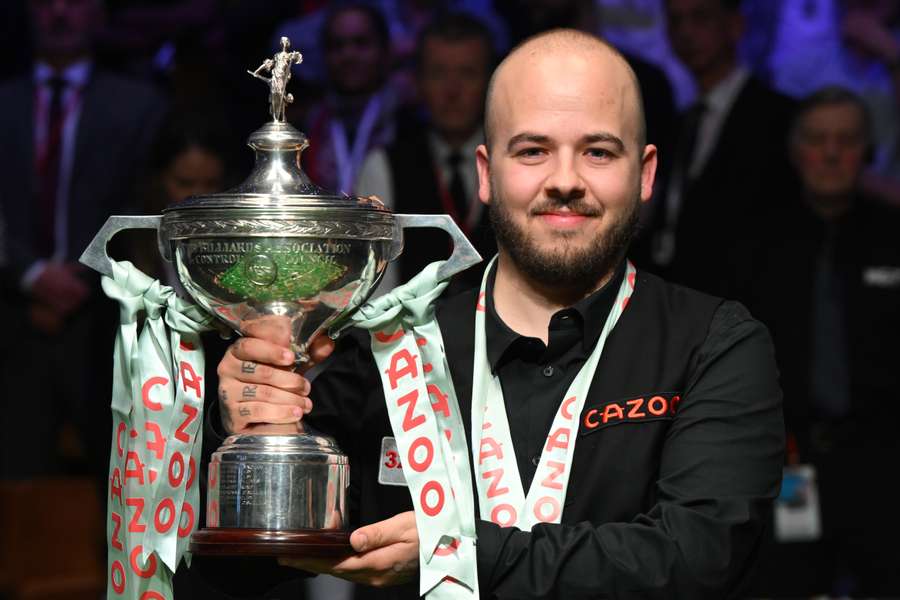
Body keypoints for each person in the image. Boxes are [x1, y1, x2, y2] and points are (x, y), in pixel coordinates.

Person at [213, 29, 783, 599]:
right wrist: (256, 432)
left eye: (599, 152)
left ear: (646, 172)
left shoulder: (714, 344)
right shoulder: (393, 351)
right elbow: (254, 564)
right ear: (486, 172)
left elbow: (696, 560)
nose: (564, 181)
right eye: (532, 150)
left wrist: (457, 554)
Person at [727, 87, 900, 598]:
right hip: (787, 462)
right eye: (818, 139)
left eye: (845, 140)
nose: (830, 152)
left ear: (867, 150)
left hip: (885, 464)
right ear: (795, 149)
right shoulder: (755, 244)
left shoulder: (894, 236)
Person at [0, 0, 166, 479]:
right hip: (12, 316)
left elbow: (145, 205)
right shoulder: (3, 101)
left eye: (74, 1)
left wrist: (80, 276)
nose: (59, 12)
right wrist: (29, 274)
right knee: (15, 488)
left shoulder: (139, 104)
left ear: (97, 13)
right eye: (46, 1)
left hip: (104, 320)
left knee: (114, 480)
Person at [645, 0, 796, 295]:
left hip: (750, 306)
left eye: (700, 17)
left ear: (734, 25)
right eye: (676, 21)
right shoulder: (677, 124)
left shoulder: (780, 118)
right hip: (678, 305)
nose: (686, 32)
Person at [355, 13, 497, 294]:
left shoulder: (513, 164)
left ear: (491, 82)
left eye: (467, 73)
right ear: (418, 81)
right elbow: (375, 290)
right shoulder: (384, 166)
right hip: (411, 334)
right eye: (438, 73)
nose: (452, 90)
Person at [302, 4, 398, 194]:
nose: (348, 55)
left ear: (385, 50)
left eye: (361, 43)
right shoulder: (308, 127)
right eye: (337, 45)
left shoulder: (407, 122)